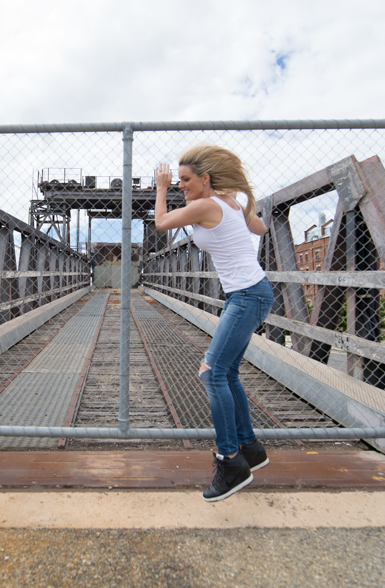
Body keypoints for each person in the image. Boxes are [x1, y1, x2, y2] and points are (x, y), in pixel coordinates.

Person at [154, 145, 274, 502]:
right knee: (228, 373)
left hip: (246, 295)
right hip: (252, 292)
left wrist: (160, 188)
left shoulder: (207, 205)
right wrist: (239, 200)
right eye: (176, 182)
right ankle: (250, 449)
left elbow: (161, 224)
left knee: (211, 372)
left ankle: (230, 461)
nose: (180, 186)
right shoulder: (228, 203)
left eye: (185, 180)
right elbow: (262, 228)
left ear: (205, 179)